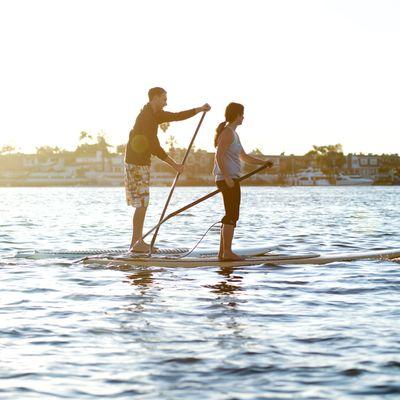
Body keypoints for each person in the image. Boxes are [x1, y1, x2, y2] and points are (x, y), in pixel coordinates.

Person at [125, 87, 210, 253]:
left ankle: (136, 242)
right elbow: (154, 146)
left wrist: (199, 109)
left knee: (142, 203)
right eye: (164, 99)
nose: (166, 102)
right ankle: (137, 243)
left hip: (139, 162)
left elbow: (177, 116)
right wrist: (175, 165)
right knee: (142, 203)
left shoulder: (155, 113)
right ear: (155, 98)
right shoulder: (147, 117)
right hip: (136, 163)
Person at [213, 102, 273, 261]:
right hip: (227, 179)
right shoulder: (227, 133)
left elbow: (244, 157)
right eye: (242, 114)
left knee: (231, 214)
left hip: (231, 179)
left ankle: (223, 253)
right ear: (237, 115)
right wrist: (226, 177)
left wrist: (263, 162)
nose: (243, 117)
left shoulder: (234, 134)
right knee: (232, 214)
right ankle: (227, 252)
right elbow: (218, 156)